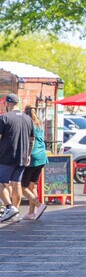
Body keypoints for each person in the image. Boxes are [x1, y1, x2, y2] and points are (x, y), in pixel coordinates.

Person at [0, 93, 34, 222]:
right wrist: (29, 154)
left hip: (6, 156)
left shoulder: (4, 118)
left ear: (7, 104)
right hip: (22, 156)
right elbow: (32, 139)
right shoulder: (28, 119)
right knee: (16, 184)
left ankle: (9, 207)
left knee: (1, 183)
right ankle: (15, 213)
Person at [20, 106, 48, 220]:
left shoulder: (27, 124)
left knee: (23, 187)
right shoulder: (39, 124)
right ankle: (31, 213)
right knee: (33, 185)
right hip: (42, 157)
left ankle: (39, 205)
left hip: (33, 157)